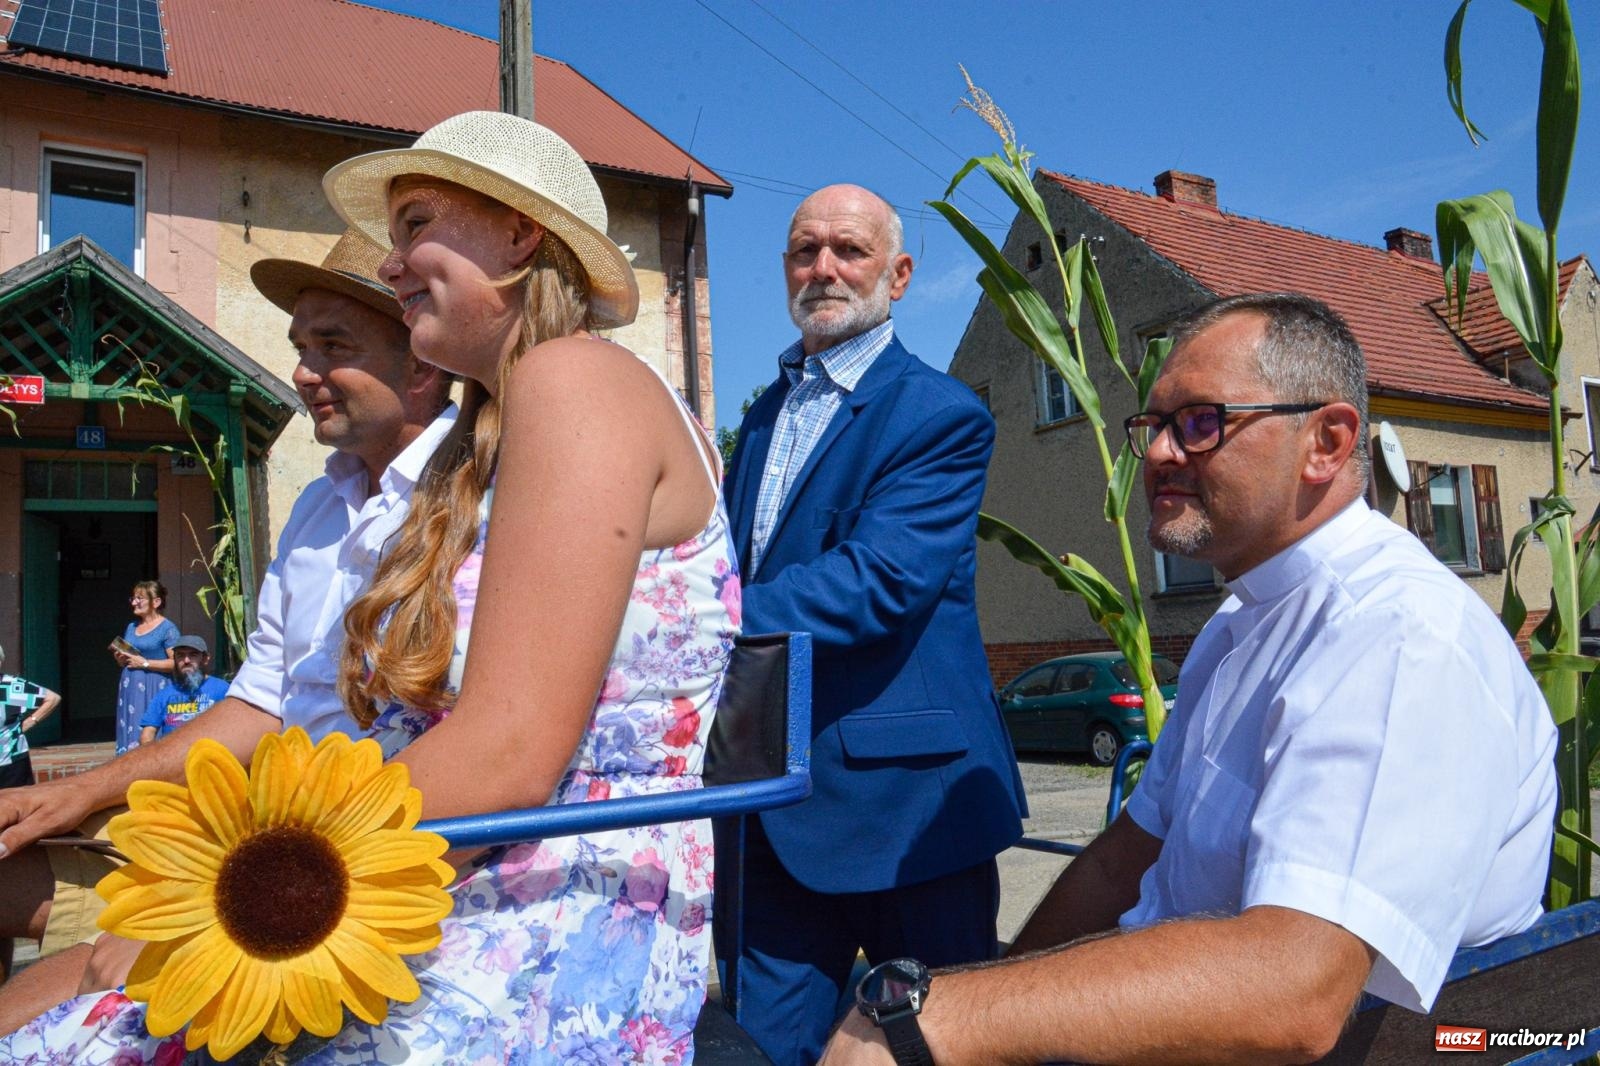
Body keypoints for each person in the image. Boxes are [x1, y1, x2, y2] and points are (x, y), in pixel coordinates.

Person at [0, 110, 740, 1063]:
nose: (391, 264)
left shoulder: (577, 379)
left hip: (545, 903)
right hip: (452, 874)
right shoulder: (486, 444)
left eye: (415, 225)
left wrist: (219, 914)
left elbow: (508, 754)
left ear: (521, 234)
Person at [820, 293, 1557, 1066]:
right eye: (1155, 425)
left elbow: (1296, 989)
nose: (1160, 453)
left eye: (1201, 422)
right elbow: (1122, 860)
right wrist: (984, 1005)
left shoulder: (1398, 635)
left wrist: (947, 1021)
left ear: (1327, 442)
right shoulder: (1238, 627)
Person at [0, 230, 452, 1023]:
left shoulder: (472, 495)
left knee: (28, 1019)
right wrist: (79, 792)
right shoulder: (319, 506)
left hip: (327, 873)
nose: (303, 371)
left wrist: (206, 916)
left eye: (334, 345)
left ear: (422, 363)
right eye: (301, 347)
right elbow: (261, 703)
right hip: (248, 832)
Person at [721, 183, 1026, 1066]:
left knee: (936, 1049)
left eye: (849, 250)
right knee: (759, 1049)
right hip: (769, 800)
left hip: (909, 816)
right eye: (804, 250)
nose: (823, 267)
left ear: (898, 276)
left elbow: (878, 584)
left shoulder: (939, 414)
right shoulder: (763, 417)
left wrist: (692, 618)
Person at [110, 580, 178, 753]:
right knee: (131, 729)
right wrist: (120, 659)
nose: (134, 603)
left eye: (139, 599)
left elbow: (176, 663)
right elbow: (128, 660)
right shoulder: (131, 627)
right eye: (133, 598)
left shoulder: (167, 628)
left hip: (154, 688)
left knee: (151, 731)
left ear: (156, 602)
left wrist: (146, 663)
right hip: (131, 689)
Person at [135, 636, 230, 746]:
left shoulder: (222, 689)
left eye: (193, 655)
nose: (186, 661)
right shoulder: (164, 695)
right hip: (173, 754)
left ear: (205, 659)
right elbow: (147, 735)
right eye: (180, 655)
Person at [0, 644, 60, 792]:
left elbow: (52, 699)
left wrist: (29, 722)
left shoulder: (11, 687)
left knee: (17, 803)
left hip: (11, 764)